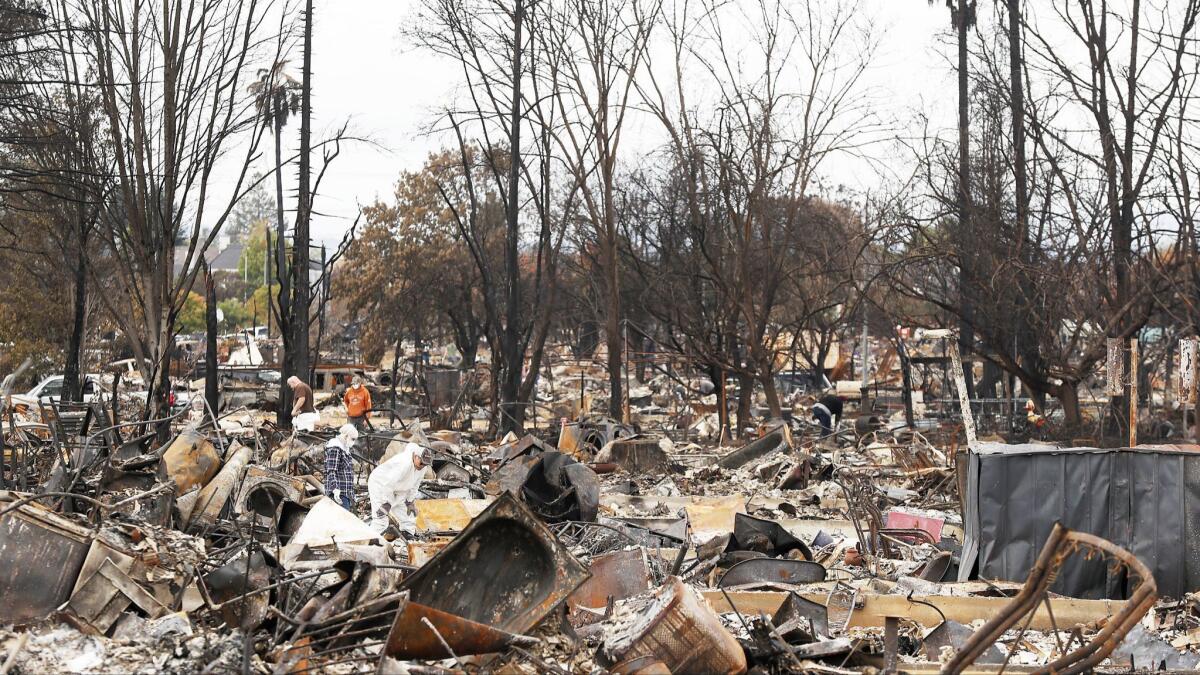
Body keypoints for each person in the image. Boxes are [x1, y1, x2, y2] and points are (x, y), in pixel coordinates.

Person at [367, 443, 431, 536]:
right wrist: (386, 503)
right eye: (421, 463)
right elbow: (388, 484)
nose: (422, 466)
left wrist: (409, 501)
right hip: (380, 484)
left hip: (399, 487)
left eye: (425, 464)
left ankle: (408, 537)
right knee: (381, 518)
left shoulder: (422, 468)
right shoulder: (403, 463)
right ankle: (371, 541)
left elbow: (415, 485)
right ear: (416, 456)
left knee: (408, 516)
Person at [324, 424, 358, 511]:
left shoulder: (345, 449)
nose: (353, 442)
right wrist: (335, 488)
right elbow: (331, 471)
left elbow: (347, 472)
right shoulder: (335, 448)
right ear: (346, 436)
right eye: (353, 439)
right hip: (339, 493)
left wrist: (352, 494)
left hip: (346, 493)